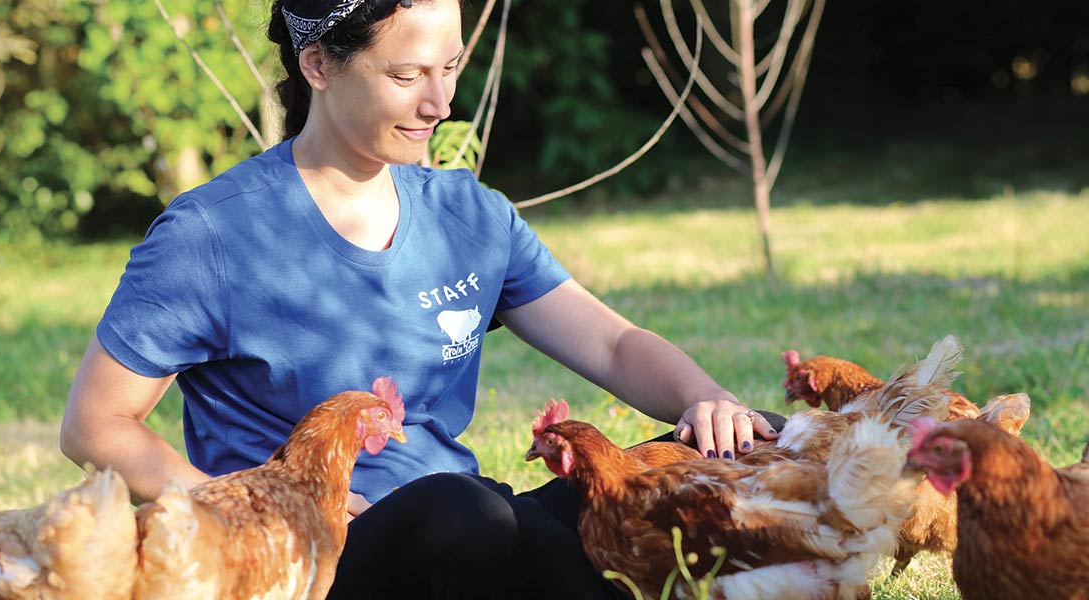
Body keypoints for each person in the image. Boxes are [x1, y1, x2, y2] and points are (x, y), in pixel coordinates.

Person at [59, 0, 781, 597]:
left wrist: (705, 401)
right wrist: (246, 512)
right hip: (313, 560)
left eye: (451, 68)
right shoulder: (212, 234)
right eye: (407, 75)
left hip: (472, 521)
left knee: (709, 461)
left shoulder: (468, 213)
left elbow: (611, 343)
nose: (439, 103)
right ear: (318, 66)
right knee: (466, 515)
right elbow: (95, 425)